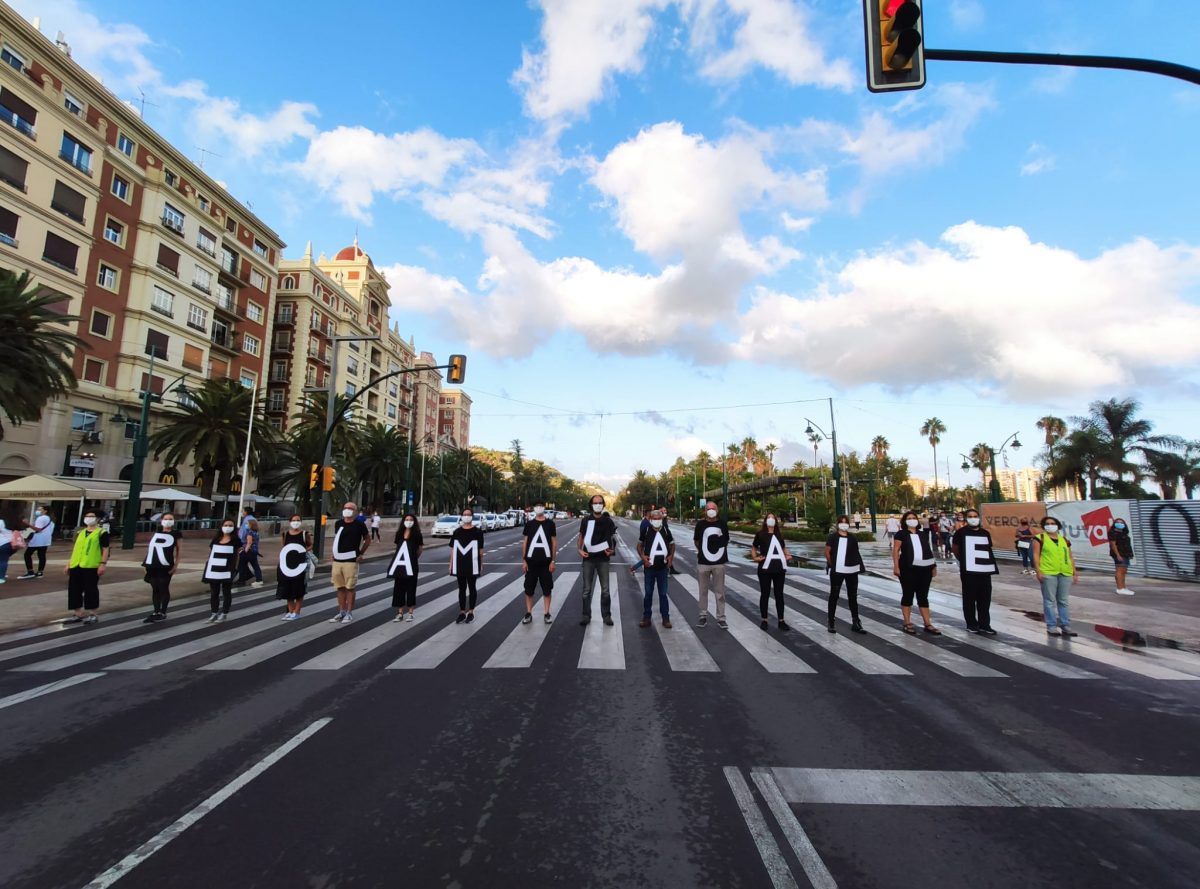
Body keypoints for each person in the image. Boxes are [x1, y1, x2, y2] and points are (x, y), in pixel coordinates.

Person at [893, 510, 940, 636]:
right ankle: (907, 622)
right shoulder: (901, 534)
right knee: (908, 594)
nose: (912, 519)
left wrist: (933, 565)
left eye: (914, 517)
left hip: (925, 569)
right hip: (908, 569)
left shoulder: (922, 534)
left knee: (923, 596)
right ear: (905, 521)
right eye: (909, 518)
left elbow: (927, 549)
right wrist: (896, 567)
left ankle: (927, 623)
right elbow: (896, 550)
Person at [951, 509, 998, 635]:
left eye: (975, 516)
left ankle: (985, 624)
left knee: (985, 598)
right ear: (966, 518)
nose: (973, 518)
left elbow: (988, 548)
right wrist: (965, 560)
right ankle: (971, 624)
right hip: (969, 572)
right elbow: (955, 549)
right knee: (969, 598)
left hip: (984, 571)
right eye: (970, 516)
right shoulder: (960, 533)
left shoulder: (985, 533)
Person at [62, 509, 109, 624]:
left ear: (97, 519)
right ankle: (78, 613)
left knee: (90, 589)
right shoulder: (81, 532)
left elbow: (105, 549)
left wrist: (102, 564)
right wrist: (69, 564)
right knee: (74, 590)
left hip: (91, 565)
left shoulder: (101, 533)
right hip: (76, 564)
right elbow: (76, 549)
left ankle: (93, 614)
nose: (88, 518)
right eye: (87, 516)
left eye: (91, 516)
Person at [1034, 516, 1077, 637]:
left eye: (1053, 523)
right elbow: (1036, 555)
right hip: (1048, 572)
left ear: (1057, 525)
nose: (1050, 525)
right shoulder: (1039, 538)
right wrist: (1038, 571)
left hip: (1065, 572)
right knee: (1049, 601)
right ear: (1043, 526)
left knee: (1063, 601)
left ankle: (1065, 625)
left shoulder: (1064, 539)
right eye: (1047, 523)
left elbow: (1070, 556)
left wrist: (1074, 572)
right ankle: (1051, 626)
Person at [328, 501, 370, 623]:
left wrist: (361, 553)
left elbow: (367, 539)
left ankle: (349, 612)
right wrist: (334, 553)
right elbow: (338, 539)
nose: (347, 510)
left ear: (355, 511)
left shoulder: (359, 525)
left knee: (350, 587)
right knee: (339, 587)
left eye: (350, 508)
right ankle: (341, 611)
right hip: (337, 560)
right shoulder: (338, 523)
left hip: (351, 560)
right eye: (345, 508)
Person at [578, 494, 616, 626]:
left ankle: (606, 616)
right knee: (586, 590)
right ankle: (585, 615)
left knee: (605, 590)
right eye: (595, 503)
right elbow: (581, 537)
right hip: (588, 559)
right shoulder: (586, 520)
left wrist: (612, 550)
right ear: (591, 505)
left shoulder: (608, 521)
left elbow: (612, 539)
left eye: (600, 502)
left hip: (603, 560)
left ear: (603, 504)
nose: (598, 505)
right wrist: (579, 549)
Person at [825, 515, 866, 634]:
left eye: (845, 522)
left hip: (851, 570)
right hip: (837, 570)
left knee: (853, 596)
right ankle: (831, 621)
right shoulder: (832, 537)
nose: (844, 524)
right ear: (838, 524)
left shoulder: (852, 537)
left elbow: (855, 552)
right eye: (841, 522)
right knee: (834, 595)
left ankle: (856, 621)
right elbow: (827, 551)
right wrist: (832, 564)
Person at [751, 513, 791, 631]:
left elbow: (783, 548)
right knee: (765, 594)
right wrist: (755, 558)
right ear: (765, 521)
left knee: (779, 595)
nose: (771, 519)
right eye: (769, 518)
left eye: (773, 518)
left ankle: (781, 620)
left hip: (779, 568)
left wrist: (787, 555)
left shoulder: (779, 535)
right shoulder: (760, 534)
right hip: (764, 569)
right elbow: (754, 547)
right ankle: (764, 620)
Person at [693, 500, 729, 629]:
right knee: (703, 591)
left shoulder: (722, 524)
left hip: (719, 563)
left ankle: (721, 618)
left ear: (717, 510)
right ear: (705, 511)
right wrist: (703, 552)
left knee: (720, 592)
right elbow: (696, 541)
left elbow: (726, 541)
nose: (711, 510)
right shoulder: (700, 525)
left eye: (713, 508)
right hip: (703, 562)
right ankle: (703, 616)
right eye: (708, 508)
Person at [142, 513, 182, 623]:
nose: (168, 521)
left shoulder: (176, 534)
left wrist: (176, 565)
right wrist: (146, 564)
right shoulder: (157, 532)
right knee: (155, 588)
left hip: (166, 565)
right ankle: (156, 611)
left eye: (170, 519)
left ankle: (163, 611)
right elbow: (152, 549)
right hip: (153, 564)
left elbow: (179, 550)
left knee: (163, 587)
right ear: (161, 520)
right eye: (166, 519)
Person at [637, 508, 674, 628]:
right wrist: (643, 557)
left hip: (662, 569)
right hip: (649, 568)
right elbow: (639, 545)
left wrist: (670, 557)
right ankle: (646, 618)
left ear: (662, 519)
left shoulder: (666, 531)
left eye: (659, 519)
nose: (657, 521)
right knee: (648, 593)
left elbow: (672, 545)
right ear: (651, 519)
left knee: (663, 594)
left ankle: (666, 619)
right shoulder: (646, 530)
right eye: (655, 519)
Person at [522, 504, 557, 625]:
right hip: (531, 563)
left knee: (547, 589)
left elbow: (553, 543)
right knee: (528, 589)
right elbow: (525, 542)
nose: (539, 508)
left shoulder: (550, 524)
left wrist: (553, 561)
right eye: (536, 506)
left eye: (541, 506)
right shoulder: (530, 524)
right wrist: (524, 560)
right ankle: (528, 613)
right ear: (534, 508)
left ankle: (547, 613)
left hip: (546, 564)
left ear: (544, 508)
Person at [450, 508, 485, 623]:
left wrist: (481, 564)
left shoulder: (478, 532)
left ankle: (471, 611)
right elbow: (453, 550)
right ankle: (461, 612)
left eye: (468, 514)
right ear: (461, 516)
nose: (466, 516)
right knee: (461, 588)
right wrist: (450, 564)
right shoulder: (457, 532)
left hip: (473, 564)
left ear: (472, 516)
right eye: (464, 514)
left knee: (472, 587)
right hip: (459, 564)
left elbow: (481, 550)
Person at [389, 513, 423, 622]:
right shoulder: (399, 533)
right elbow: (397, 547)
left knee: (411, 588)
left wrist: (413, 558)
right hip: (400, 565)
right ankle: (400, 612)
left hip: (411, 564)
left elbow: (420, 549)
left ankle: (410, 612)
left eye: (411, 519)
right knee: (399, 588)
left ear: (414, 522)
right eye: (407, 519)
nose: (408, 521)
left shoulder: (417, 534)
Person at [277, 515, 312, 620]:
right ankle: (290, 611)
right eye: (293, 520)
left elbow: (310, 545)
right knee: (287, 589)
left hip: (299, 565)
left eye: (298, 520)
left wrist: (303, 551)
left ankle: (297, 611)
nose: (295, 522)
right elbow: (284, 547)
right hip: (287, 565)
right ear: (289, 521)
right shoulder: (285, 534)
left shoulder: (304, 534)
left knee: (299, 589)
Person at [204, 520, 240, 622]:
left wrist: (235, 569)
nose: (228, 527)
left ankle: (224, 613)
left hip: (227, 569)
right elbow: (211, 553)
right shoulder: (216, 539)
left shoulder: (235, 540)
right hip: (214, 568)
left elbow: (237, 556)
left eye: (230, 525)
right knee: (214, 592)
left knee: (226, 592)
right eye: (226, 525)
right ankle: (214, 612)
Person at [18, 505, 54, 579]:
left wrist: (27, 524)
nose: (38, 510)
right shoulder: (50, 519)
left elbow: (38, 529)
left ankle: (30, 571)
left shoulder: (41, 518)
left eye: (40, 509)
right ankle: (40, 572)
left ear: (45, 511)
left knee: (27, 554)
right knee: (41, 555)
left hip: (37, 540)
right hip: (45, 540)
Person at [1109, 517, 1135, 596]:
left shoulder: (1124, 533)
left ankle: (1123, 587)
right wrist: (1118, 555)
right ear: (1114, 524)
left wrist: (1130, 554)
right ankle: (1120, 588)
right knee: (1120, 570)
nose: (1119, 524)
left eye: (1121, 523)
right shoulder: (1113, 533)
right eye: (1118, 522)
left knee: (1124, 571)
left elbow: (1127, 545)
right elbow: (1113, 545)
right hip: (1119, 554)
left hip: (1125, 554)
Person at [0, 507, 25, 584]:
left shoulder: (1, 521)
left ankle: (1, 577)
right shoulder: (17, 521)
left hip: (3, 543)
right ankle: (2, 574)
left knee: (2, 560)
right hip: (13, 544)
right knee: (4, 559)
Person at [237, 518, 263, 588]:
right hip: (254, 551)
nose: (246, 525)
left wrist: (245, 550)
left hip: (248, 551)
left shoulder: (250, 533)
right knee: (255, 566)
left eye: (247, 524)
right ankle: (259, 579)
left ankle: (242, 580)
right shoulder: (256, 532)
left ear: (250, 525)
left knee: (242, 565)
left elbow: (249, 542)